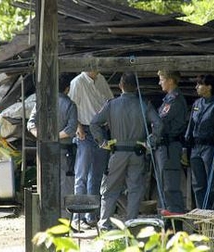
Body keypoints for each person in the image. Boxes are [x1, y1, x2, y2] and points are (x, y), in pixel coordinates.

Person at [90, 72, 163, 230]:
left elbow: (94, 123)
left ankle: (104, 224)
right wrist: (150, 142)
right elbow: (158, 124)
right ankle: (131, 224)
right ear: (136, 87)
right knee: (135, 189)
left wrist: (102, 142)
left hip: (117, 153)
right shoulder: (145, 104)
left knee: (110, 189)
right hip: (138, 152)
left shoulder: (111, 104)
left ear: (120, 86)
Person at [27, 72, 78, 218]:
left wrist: (43, 137)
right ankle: (64, 222)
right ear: (67, 89)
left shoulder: (42, 102)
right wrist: (55, 137)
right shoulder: (70, 105)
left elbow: (30, 124)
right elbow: (71, 129)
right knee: (65, 185)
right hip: (63, 151)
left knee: (45, 184)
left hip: (44, 150)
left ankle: (46, 219)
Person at [68, 71, 113, 228]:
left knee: (96, 176)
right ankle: (78, 218)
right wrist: (77, 126)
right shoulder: (78, 82)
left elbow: (109, 101)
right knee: (81, 176)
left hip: (100, 130)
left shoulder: (101, 79)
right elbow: (71, 106)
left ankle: (91, 215)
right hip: (85, 130)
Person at [183, 74, 214, 213]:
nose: (196, 87)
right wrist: (185, 147)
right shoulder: (197, 104)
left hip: (210, 148)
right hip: (196, 148)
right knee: (198, 185)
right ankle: (202, 217)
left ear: (209, 87)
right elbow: (190, 126)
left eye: (199, 84)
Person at [155, 70, 187, 221]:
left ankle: (175, 223)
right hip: (164, 147)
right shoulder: (168, 99)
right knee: (164, 185)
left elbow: (160, 120)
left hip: (170, 147)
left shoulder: (174, 99)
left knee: (170, 185)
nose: (159, 82)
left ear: (170, 81)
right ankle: (167, 220)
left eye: (161, 79)